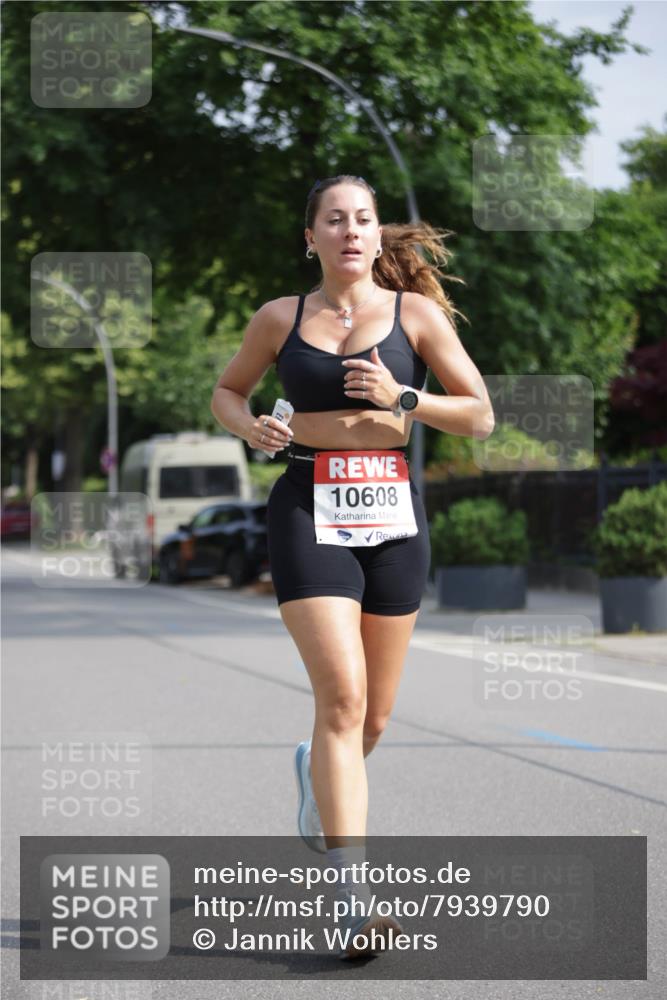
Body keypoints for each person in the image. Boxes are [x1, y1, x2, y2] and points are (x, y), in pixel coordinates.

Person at [210, 174, 494, 958]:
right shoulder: (279, 317)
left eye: (362, 219)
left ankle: (313, 774)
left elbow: (479, 414)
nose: (349, 231)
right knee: (341, 699)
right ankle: (351, 904)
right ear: (311, 238)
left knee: (372, 718)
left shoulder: (416, 316)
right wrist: (248, 429)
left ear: (375, 236)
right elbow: (228, 393)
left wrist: (407, 397)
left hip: (392, 517)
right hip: (307, 507)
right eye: (333, 220)